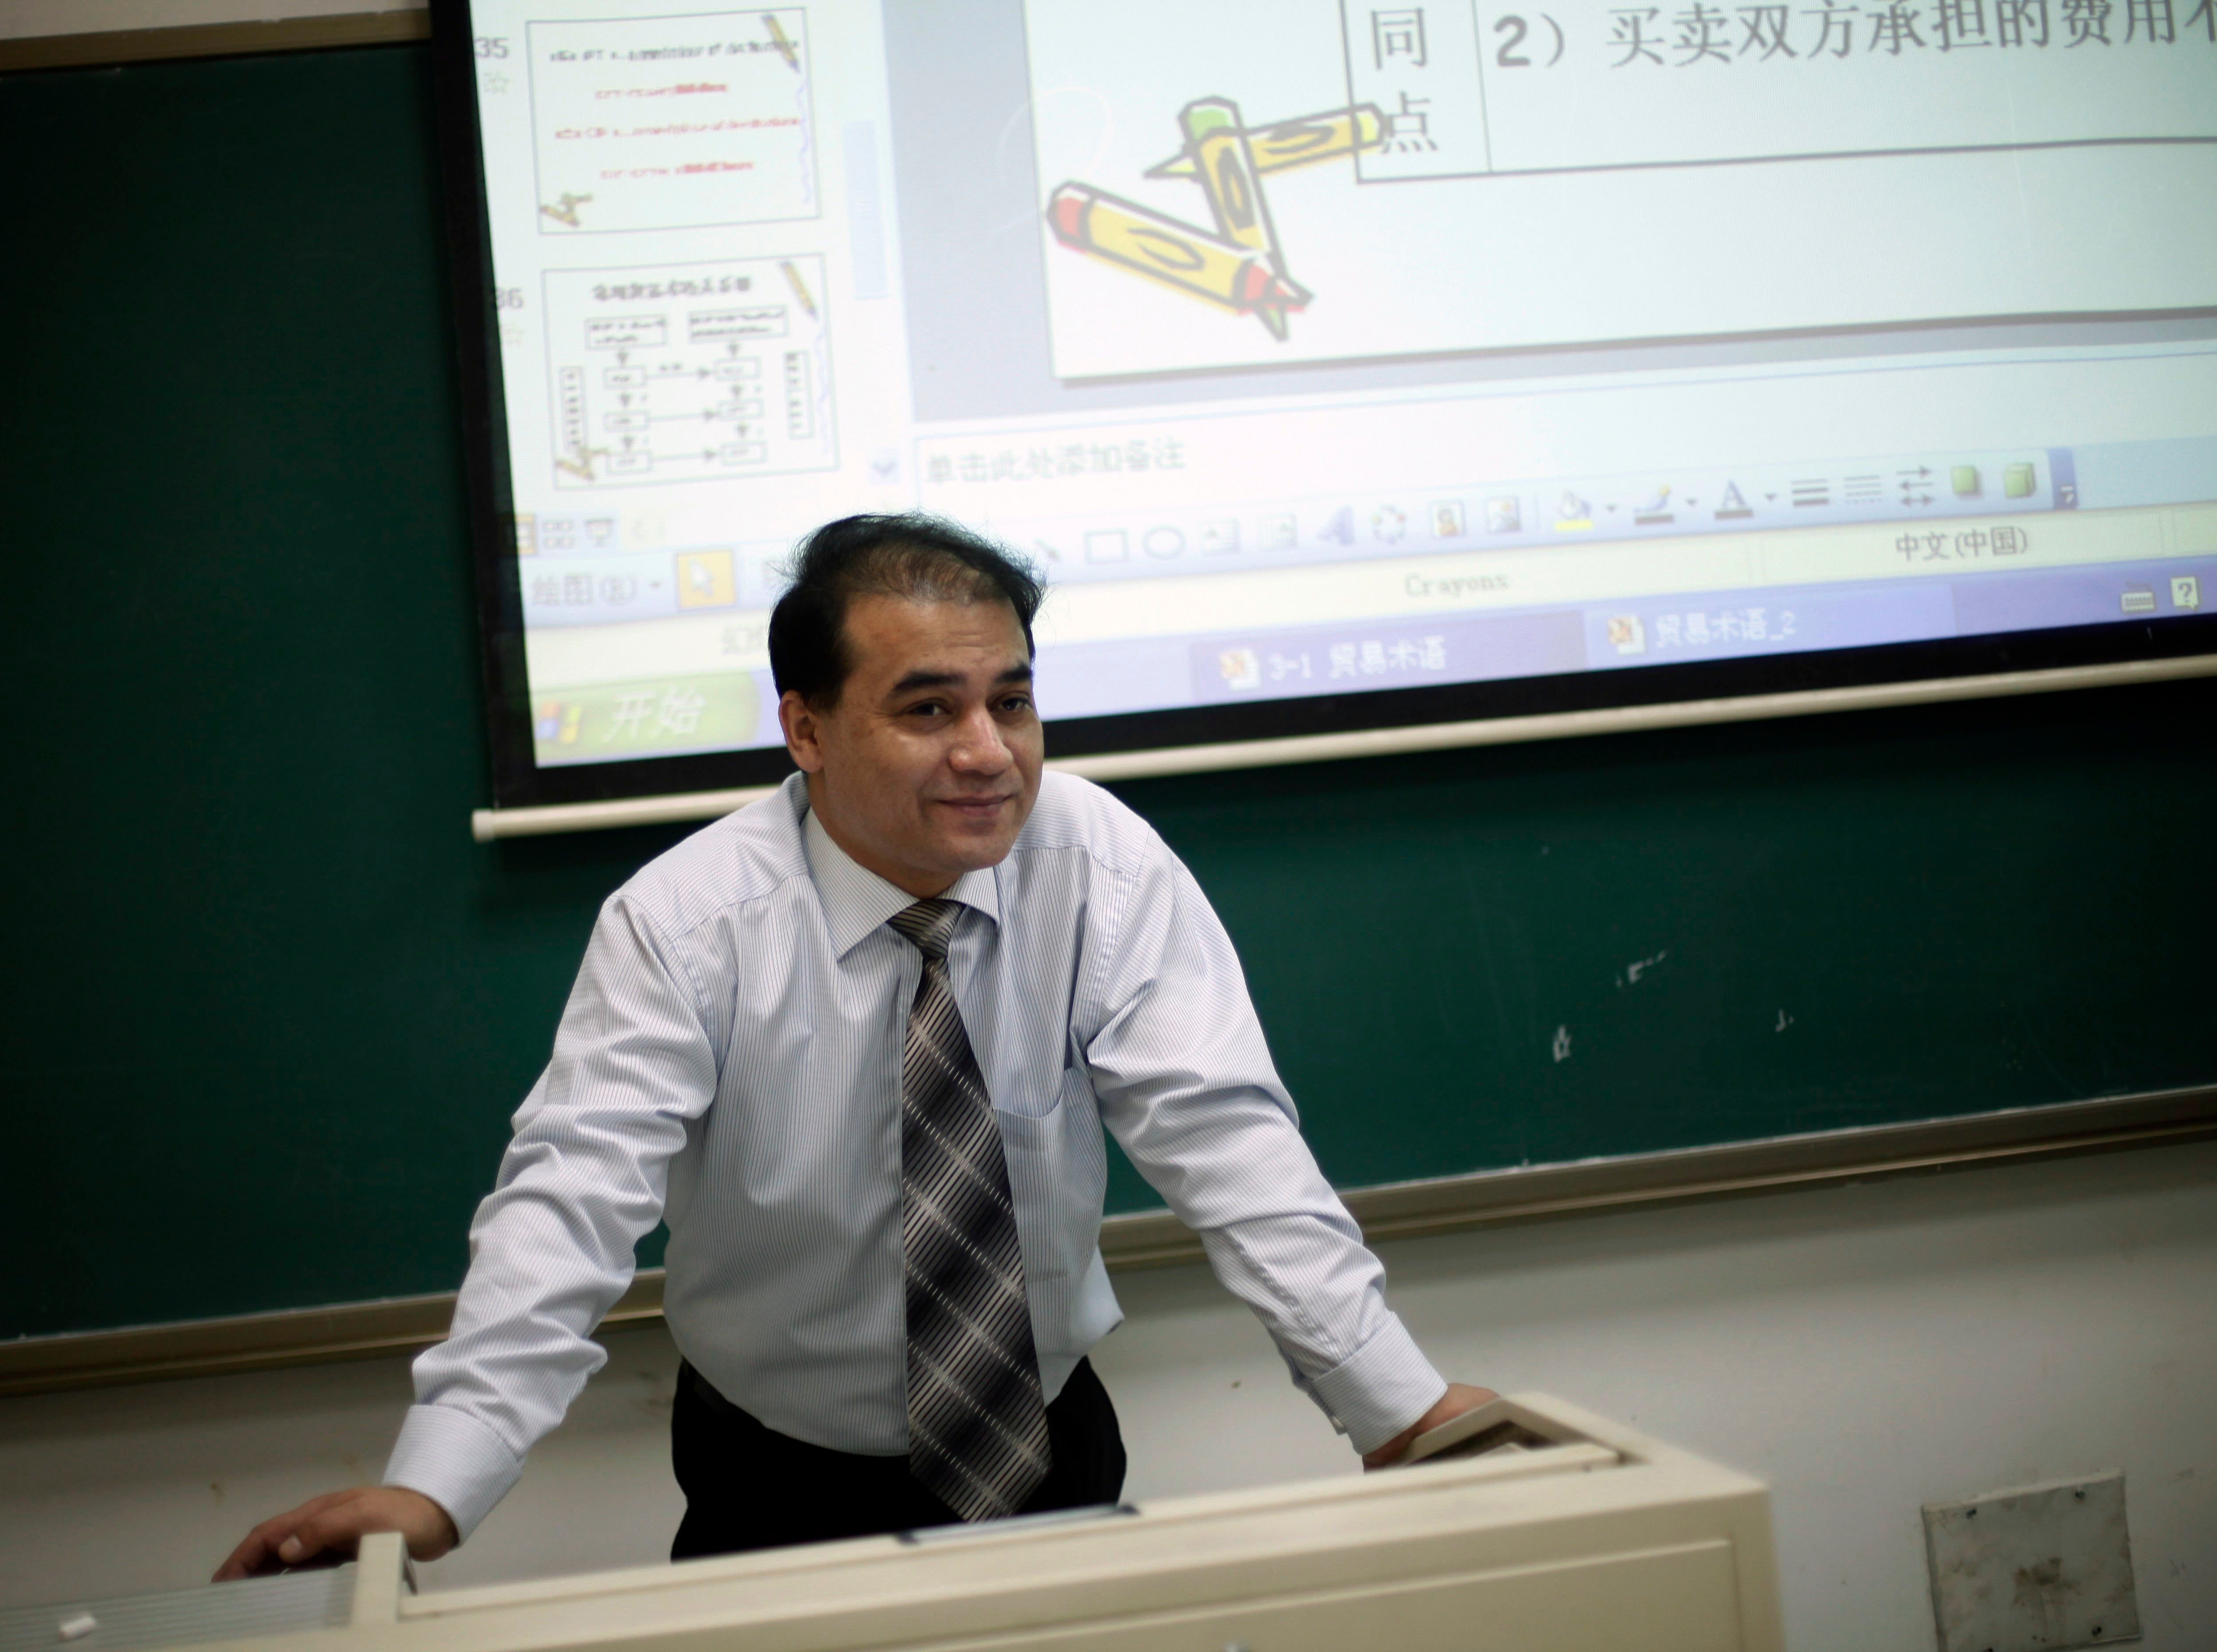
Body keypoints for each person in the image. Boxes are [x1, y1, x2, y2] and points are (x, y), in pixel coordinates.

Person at [215, 514, 1493, 1581]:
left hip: (1047, 1446)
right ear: (808, 729)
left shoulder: (1098, 863)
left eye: (1012, 701)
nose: (989, 753)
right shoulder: (687, 925)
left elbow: (1232, 1147)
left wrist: (1400, 1410)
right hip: (777, 1479)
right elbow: (568, 1203)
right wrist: (434, 1490)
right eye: (928, 708)